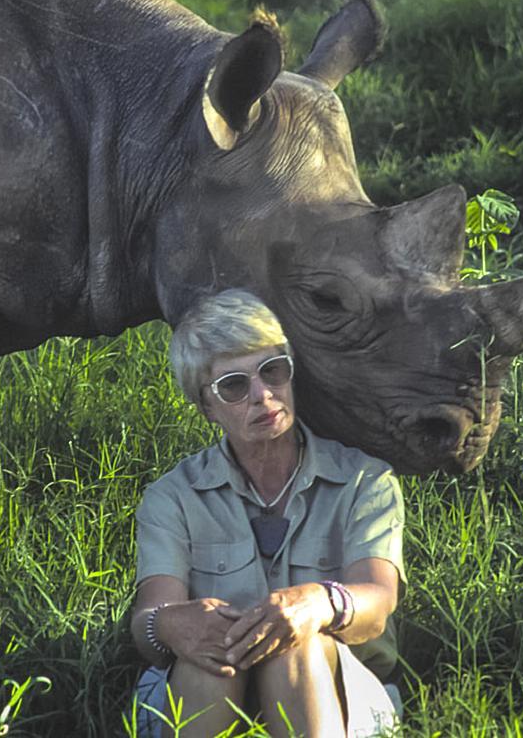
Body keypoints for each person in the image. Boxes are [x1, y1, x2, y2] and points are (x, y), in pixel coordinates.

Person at [130, 288, 404, 738]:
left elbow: (378, 601)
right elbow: (148, 620)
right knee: (208, 659)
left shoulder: (363, 480)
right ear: (206, 407)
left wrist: (321, 602)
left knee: (295, 648)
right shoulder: (173, 496)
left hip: (337, 693)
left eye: (273, 371)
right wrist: (170, 624)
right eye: (234, 386)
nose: (262, 394)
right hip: (205, 690)